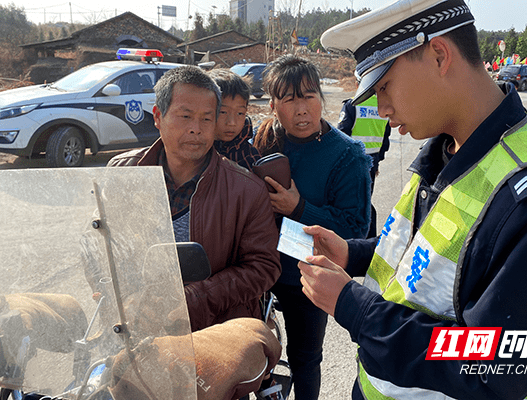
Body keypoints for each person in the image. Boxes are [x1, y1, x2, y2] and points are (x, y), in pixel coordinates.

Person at [297, 1, 527, 399]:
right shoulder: (446, 151)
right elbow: (434, 257)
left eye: (384, 87)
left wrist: (354, 306)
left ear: (438, 55)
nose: (381, 110)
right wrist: (353, 254)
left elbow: (497, 365)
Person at [107, 66, 281, 333]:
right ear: (158, 116)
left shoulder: (246, 190)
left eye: (207, 119)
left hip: (214, 330)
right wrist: (111, 288)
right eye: (185, 116)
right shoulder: (122, 173)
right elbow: (98, 243)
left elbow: (263, 266)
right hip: (133, 324)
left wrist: (196, 299)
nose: (196, 130)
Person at [253, 54, 372, 400]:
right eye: (290, 99)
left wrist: (299, 207)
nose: (301, 109)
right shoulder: (264, 142)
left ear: (321, 99)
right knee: (255, 356)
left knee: (305, 360)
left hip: (308, 277)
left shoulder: (347, 155)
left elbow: (355, 229)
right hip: (259, 273)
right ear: (274, 106)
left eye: (308, 96)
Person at [337, 94, 391, 237]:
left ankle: (355, 241)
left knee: (349, 202)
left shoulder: (352, 105)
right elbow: (385, 138)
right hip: (372, 161)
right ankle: (368, 239)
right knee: (366, 199)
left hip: (351, 162)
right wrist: (378, 161)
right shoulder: (384, 106)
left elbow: (341, 135)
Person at [208, 68, 262, 171]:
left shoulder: (250, 156)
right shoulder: (196, 151)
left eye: (240, 113)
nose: (232, 123)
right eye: (223, 112)